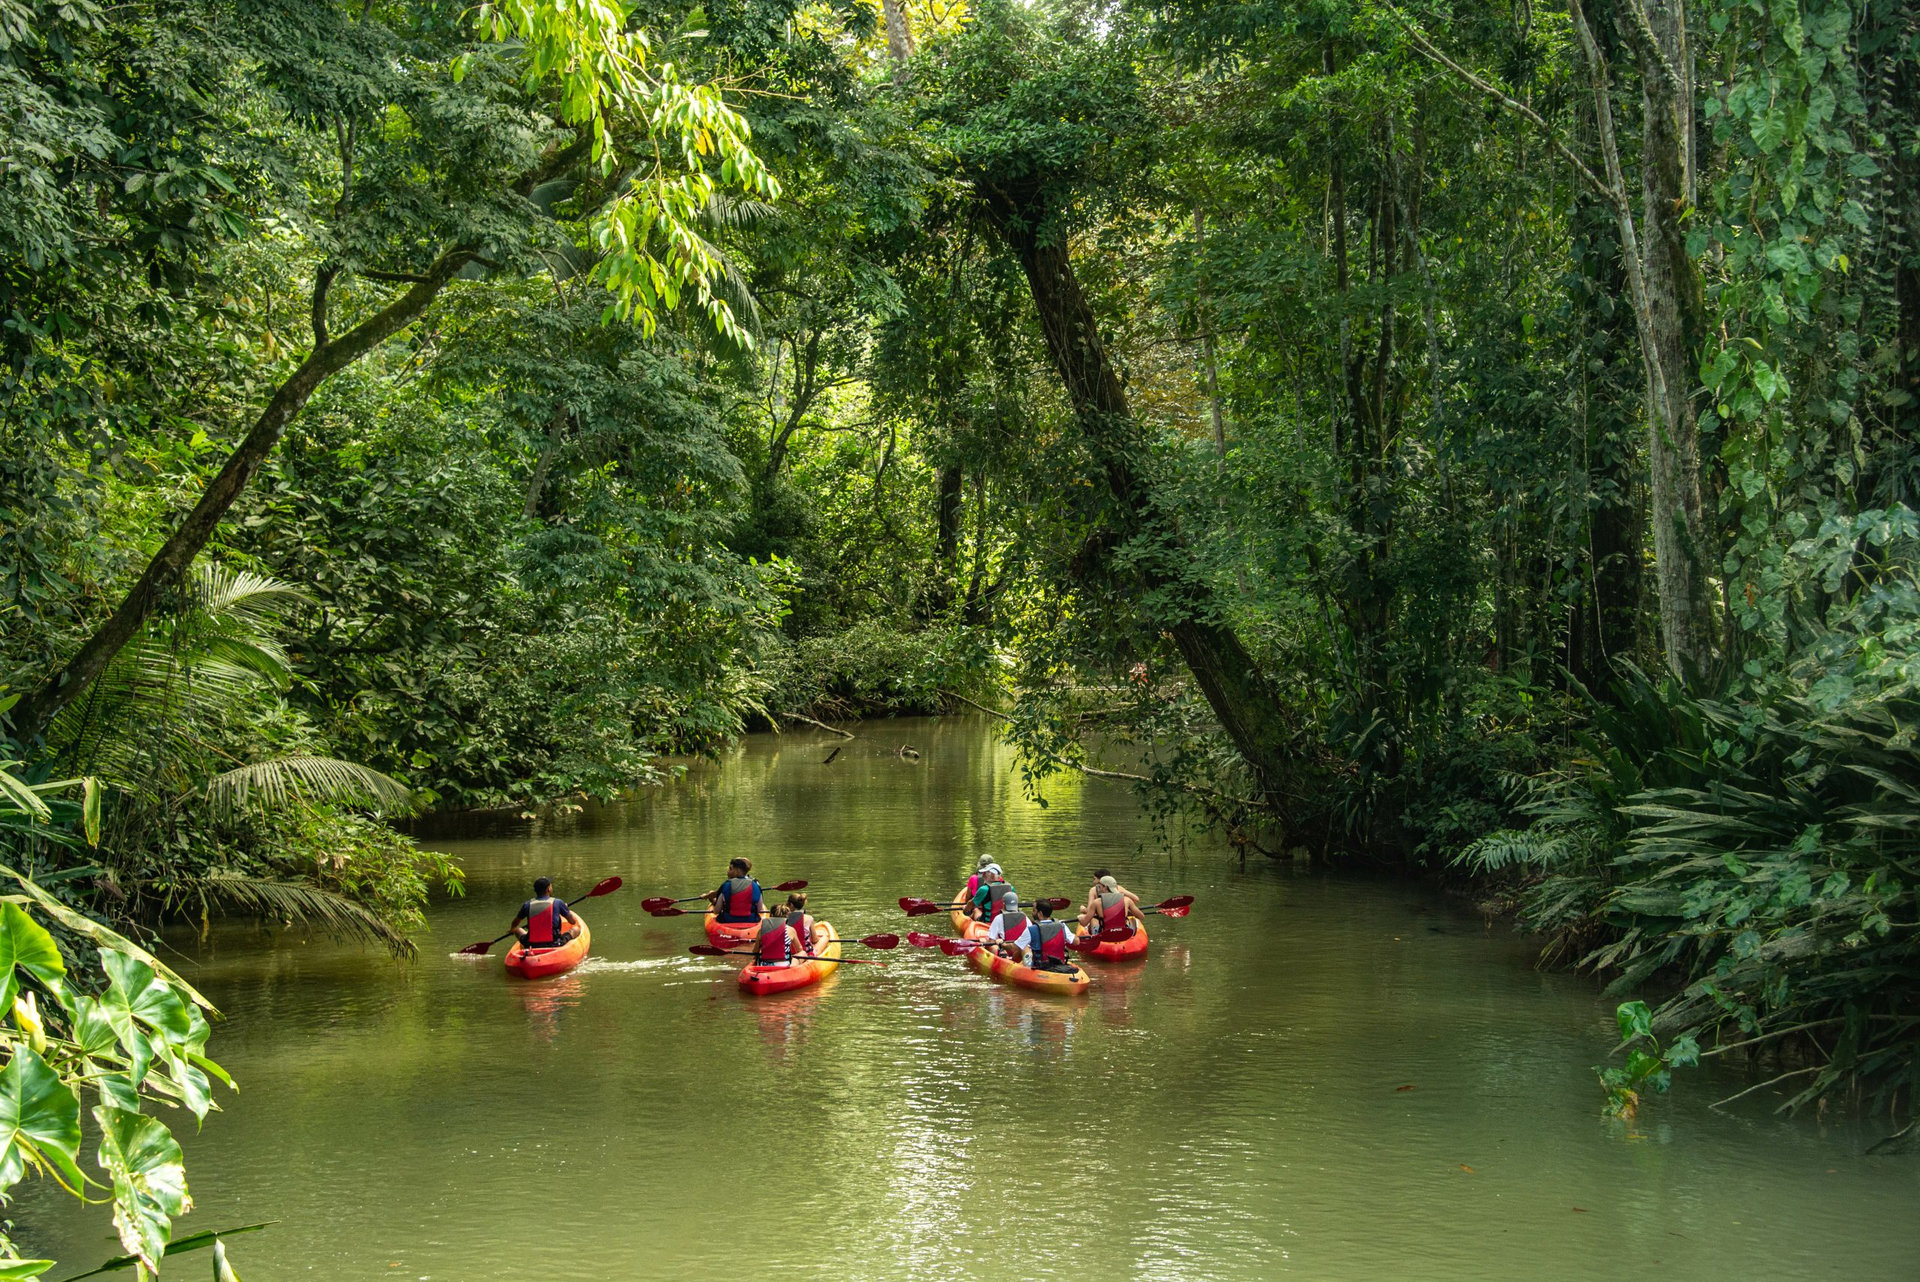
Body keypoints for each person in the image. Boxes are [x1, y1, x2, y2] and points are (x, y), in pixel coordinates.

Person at [511, 877, 579, 950]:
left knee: (518, 930)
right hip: (555, 943)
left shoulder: (527, 904)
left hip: (531, 944)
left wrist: (512, 929)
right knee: (576, 929)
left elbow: (515, 922)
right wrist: (564, 909)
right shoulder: (558, 902)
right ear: (548, 889)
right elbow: (572, 921)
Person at [1080, 874, 1145, 941]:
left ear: (1105, 887)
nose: (1099, 888)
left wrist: (1080, 918)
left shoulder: (1096, 902)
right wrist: (1126, 913)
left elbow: (1084, 923)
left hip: (1105, 936)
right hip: (1123, 935)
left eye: (1100, 886)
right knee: (1133, 919)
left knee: (1093, 919)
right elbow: (1141, 917)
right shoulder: (1126, 900)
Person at [1027, 900, 1079, 972]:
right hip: (1060, 965)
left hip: (1040, 968)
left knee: (1025, 948)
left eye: (1034, 910)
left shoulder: (1031, 929)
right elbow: (1076, 942)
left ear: (1040, 913)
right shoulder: (1062, 925)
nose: (1032, 913)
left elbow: (1017, 946)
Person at [706, 857, 762, 923]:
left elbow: (716, 911)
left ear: (737, 870)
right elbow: (759, 910)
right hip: (751, 921)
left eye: (730, 869)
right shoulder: (756, 885)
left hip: (727, 921)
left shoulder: (726, 885)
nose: (728, 872)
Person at [753, 903, 806, 968]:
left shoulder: (761, 931)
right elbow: (799, 949)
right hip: (784, 964)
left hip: (764, 964)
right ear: (786, 916)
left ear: (771, 915)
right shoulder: (790, 930)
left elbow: (755, 951)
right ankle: (792, 968)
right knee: (803, 953)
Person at [986, 892, 1034, 962]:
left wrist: (986, 943)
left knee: (993, 946)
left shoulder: (999, 918)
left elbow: (991, 940)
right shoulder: (1025, 918)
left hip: (1006, 950)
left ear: (1004, 904)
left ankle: (1002, 959)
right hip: (1020, 953)